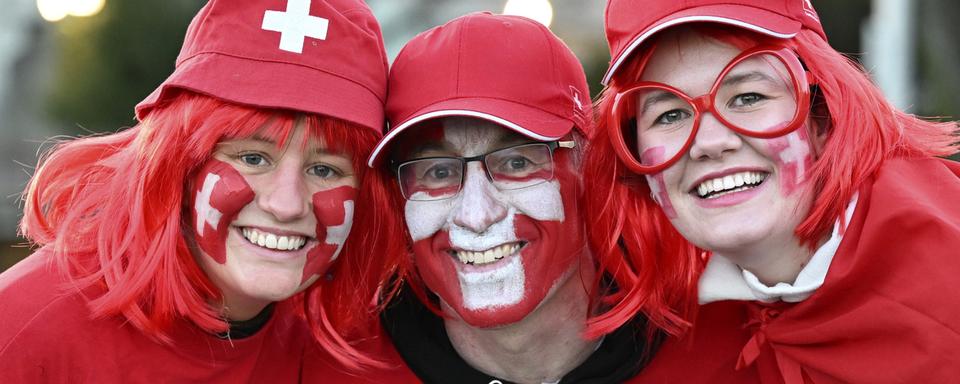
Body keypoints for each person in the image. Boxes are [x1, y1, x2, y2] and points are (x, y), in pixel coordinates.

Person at [0, 0, 403, 381]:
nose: (286, 204)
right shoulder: (23, 327)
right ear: (179, 163)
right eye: (252, 158)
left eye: (324, 169)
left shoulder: (346, 348)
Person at [585, 0, 960, 382]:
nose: (710, 142)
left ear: (822, 114)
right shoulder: (688, 342)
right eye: (670, 115)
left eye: (749, 97)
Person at [305, 12, 680, 384]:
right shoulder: (332, 370)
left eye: (516, 162)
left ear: (589, 166)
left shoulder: (719, 342)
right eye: (438, 171)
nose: (476, 215)